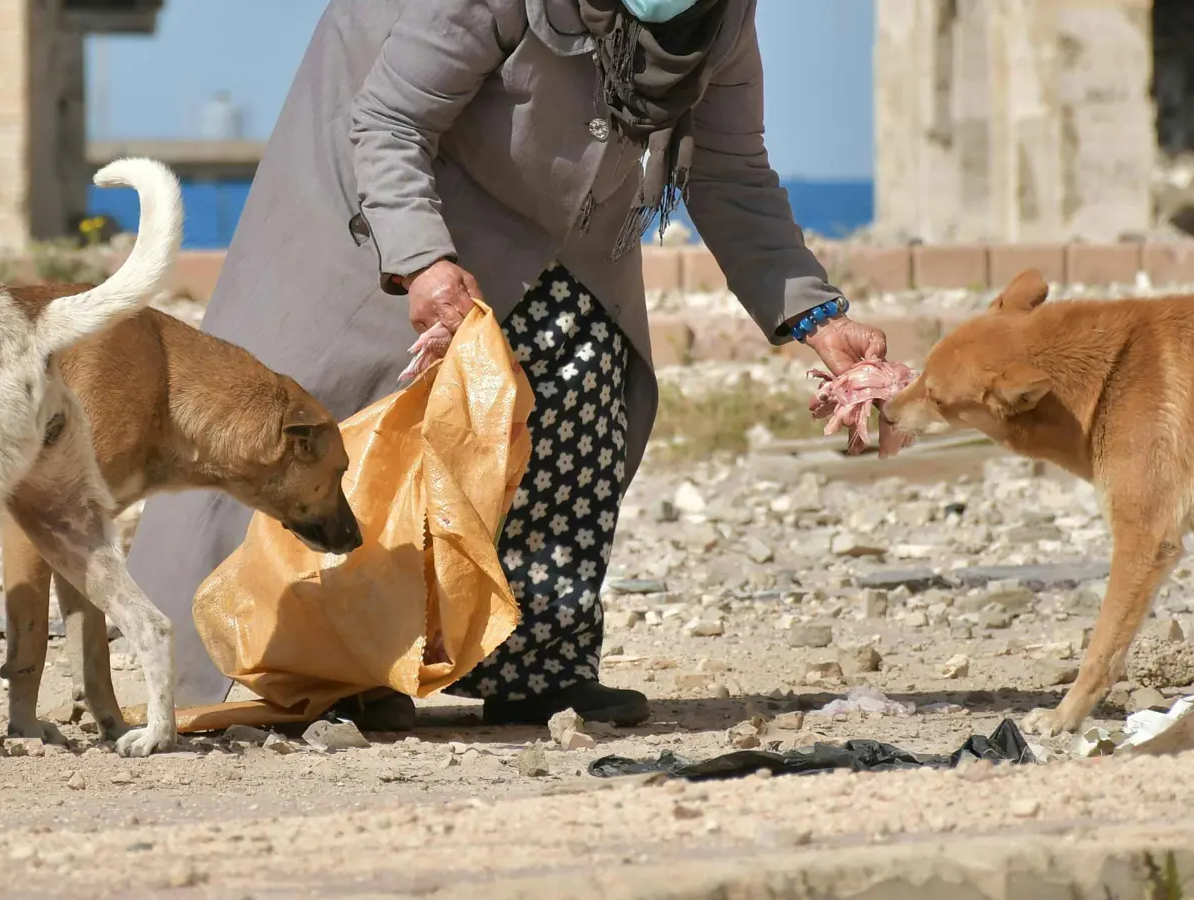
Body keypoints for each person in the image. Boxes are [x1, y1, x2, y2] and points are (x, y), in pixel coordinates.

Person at [126, 0, 896, 729]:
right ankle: (306, 667)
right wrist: (423, 260)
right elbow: (392, 120)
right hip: (383, 166)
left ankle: (534, 665)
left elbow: (732, 173)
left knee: (581, 370)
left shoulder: (721, 17)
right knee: (325, 420)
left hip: (563, 203)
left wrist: (817, 317)